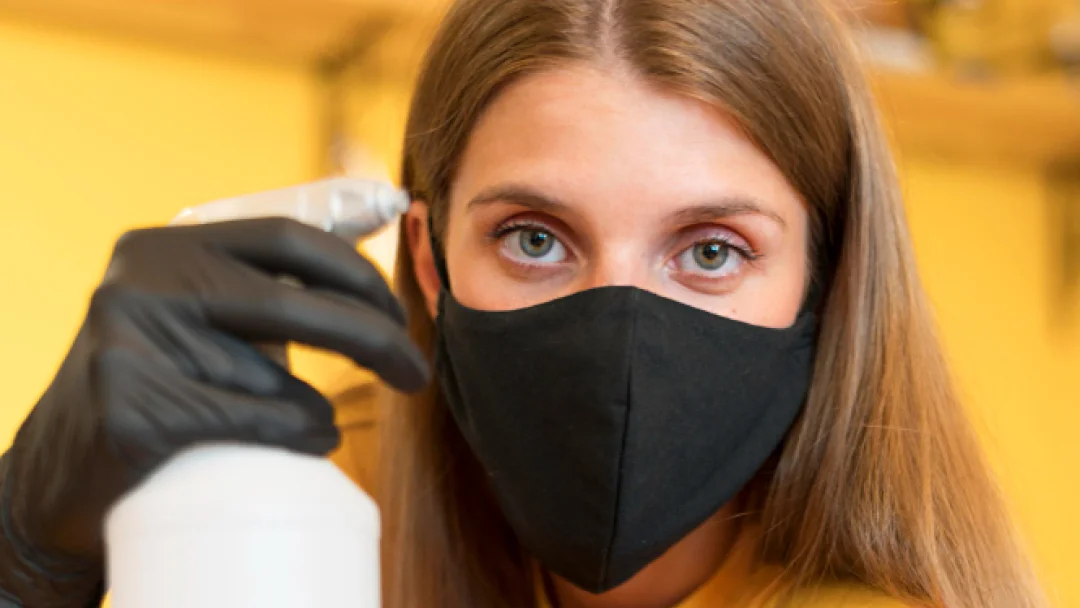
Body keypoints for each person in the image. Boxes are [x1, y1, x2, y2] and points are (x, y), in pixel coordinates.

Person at [0, 0, 1048, 607]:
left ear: (827, 276)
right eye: (535, 238)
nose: (618, 333)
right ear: (428, 253)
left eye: (712, 250)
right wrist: (26, 545)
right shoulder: (319, 502)